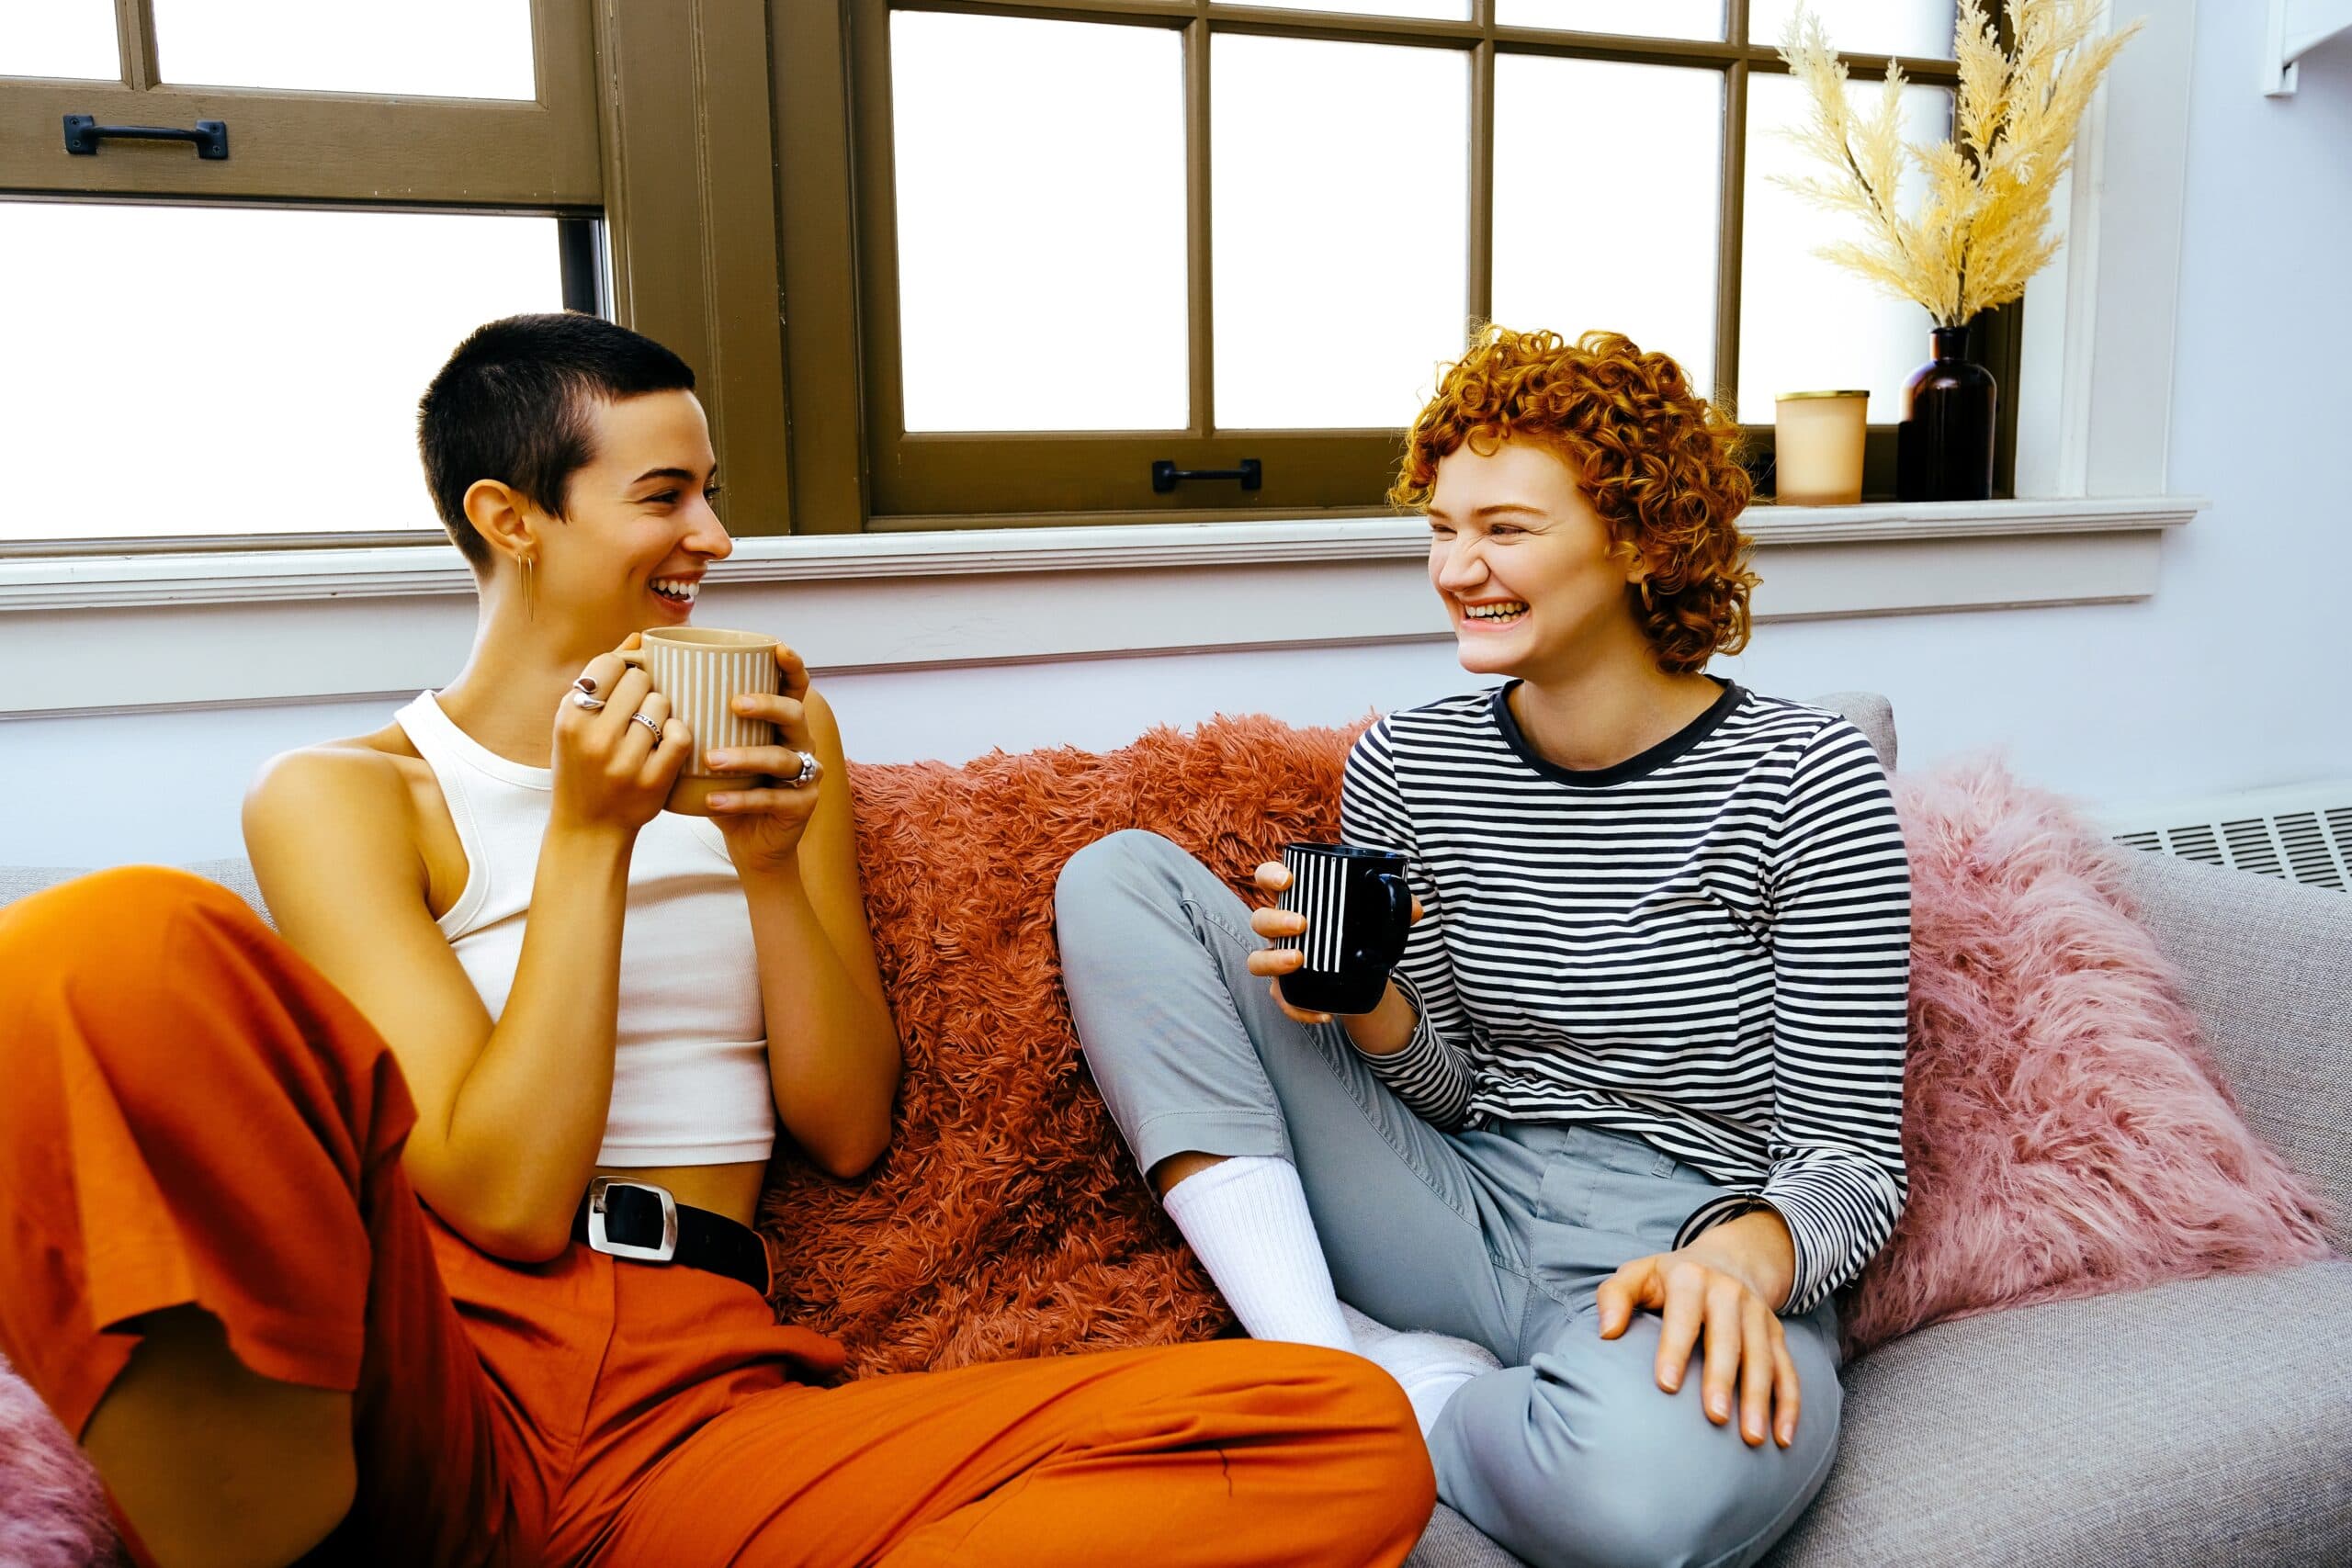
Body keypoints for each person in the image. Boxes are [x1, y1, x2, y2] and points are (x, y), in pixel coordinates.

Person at [0, 311, 1433, 1568]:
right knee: (105, 939)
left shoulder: (778, 735)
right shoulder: (350, 797)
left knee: (1335, 1426)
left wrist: (763, 864)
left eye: (714, 493)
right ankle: (259, 1524)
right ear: (512, 517)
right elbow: (496, 1194)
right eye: (666, 495)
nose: (716, 540)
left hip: (692, 1392)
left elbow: (850, 1126)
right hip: (442, 1355)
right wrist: (587, 839)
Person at [1055, 326, 1913, 1568]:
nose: (1458, 568)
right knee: (1116, 879)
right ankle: (1323, 1370)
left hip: (1678, 1250)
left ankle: (1426, 1398)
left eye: (1504, 529)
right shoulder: (1412, 761)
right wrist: (1367, 1008)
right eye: (1442, 529)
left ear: (1636, 538)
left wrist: (1748, 1258)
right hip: (1453, 1205)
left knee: (1639, 1508)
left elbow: (1851, 1160)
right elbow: (1456, 1090)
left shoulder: (1809, 781)